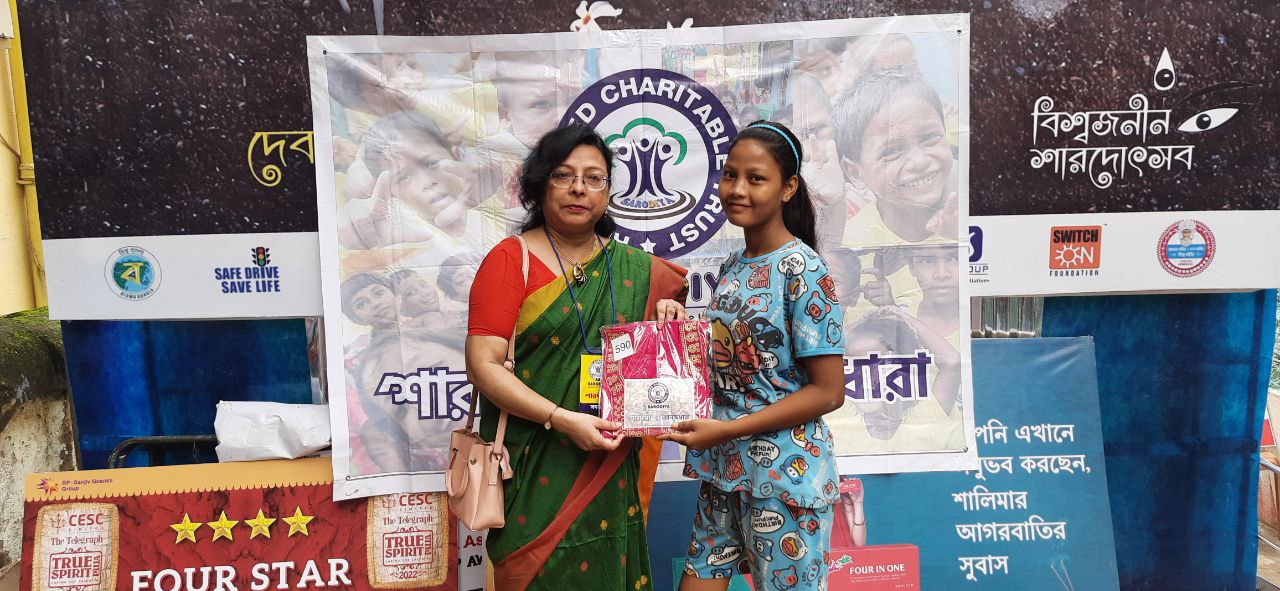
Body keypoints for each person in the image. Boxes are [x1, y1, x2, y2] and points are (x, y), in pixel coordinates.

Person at [464, 123, 689, 590]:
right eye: (564, 175)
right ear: (539, 184)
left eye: (594, 178)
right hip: (535, 466)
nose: (579, 189)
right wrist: (560, 418)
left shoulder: (636, 269)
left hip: (611, 466)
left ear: (608, 191)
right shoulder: (510, 260)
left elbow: (659, 384)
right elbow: (483, 366)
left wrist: (669, 325)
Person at [661, 121, 846, 591]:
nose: (737, 189)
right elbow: (733, 365)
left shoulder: (804, 270)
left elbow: (829, 392)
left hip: (784, 478)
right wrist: (675, 328)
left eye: (755, 178)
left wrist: (727, 429)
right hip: (724, 470)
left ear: (788, 188)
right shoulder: (732, 265)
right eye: (730, 175)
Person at [833, 70, 959, 246]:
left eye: (928, 137)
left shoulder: (980, 205)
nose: (919, 161)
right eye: (891, 151)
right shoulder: (852, 246)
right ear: (855, 173)